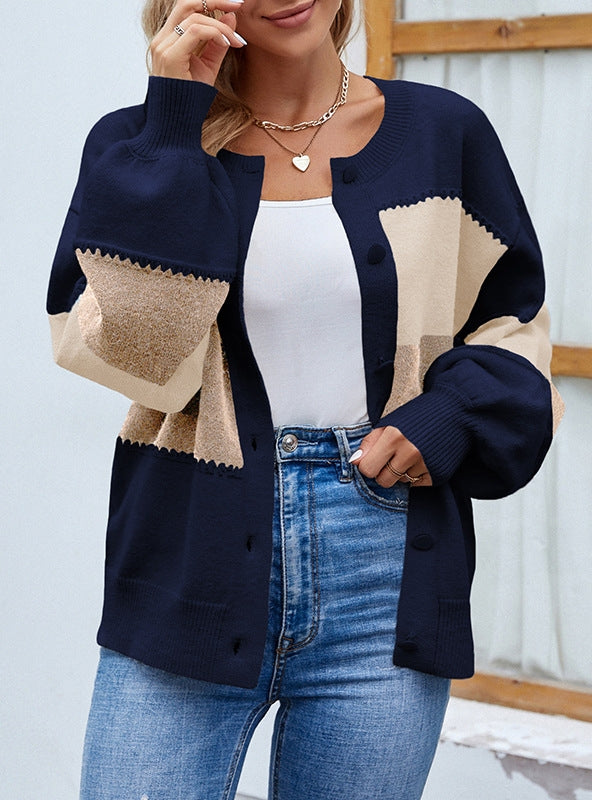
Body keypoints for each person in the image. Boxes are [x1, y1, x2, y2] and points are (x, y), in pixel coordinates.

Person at [47, 0, 563, 797]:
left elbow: (512, 323)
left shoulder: (443, 133)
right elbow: (134, 353)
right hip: (191, 552)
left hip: (384, 566)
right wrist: (175, 121)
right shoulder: (139, 146)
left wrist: (448, 415)